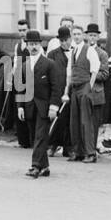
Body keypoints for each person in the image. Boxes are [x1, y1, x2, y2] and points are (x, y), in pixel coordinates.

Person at [16, 31, 66, 179]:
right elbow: (20, 87)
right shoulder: (24, 65)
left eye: (36, 44)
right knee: (36, 137)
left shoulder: (49, 64)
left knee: (40, 136)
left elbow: (57, 87)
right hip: (29, 106)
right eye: (31, 44)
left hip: (45, 107)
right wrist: (20, 106)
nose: (33, 47)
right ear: (26, 46)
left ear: (40, 45)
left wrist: (54, 107)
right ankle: (45, 167)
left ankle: (35, 166)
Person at [65, 24, 101, 162]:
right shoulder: (72, 51)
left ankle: (90, 153)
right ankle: (78, 151)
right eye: (74, 34)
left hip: (85, 87)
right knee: (74, 121)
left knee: (86, 121)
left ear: (83, 36)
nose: (76, 36)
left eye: (79, 34)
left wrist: (89, 87)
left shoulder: (89, 50)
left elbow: (95, 69)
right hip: (74, 88)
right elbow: (69, 72)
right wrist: (66, 91)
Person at [2, 18, 34, 147]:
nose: (22, 33)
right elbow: (16, 62)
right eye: (20, 30)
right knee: (18, 108)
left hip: (30, 79)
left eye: (24, 30)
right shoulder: (18, 45)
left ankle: (32, 140)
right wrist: (12, 76)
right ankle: (22, 141)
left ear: (29, 29)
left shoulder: (33, 45)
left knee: (29, 109)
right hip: (19, 80)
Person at [46, 26, 72, 156]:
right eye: (61, 41)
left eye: (66, 40)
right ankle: (52, 145)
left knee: (70, 120)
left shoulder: (76, 52)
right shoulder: (52, 54)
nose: (64, 43)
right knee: (57, 119)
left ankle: (68, 147)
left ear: (70, 39)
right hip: (57, 91)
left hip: (72, 91)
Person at [85, 22, 110, 145]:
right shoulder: (82, 52)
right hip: (83, 92)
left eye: (94, 35)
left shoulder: (102, 54)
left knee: (94, 124)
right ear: (87, 36)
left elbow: (105, 74)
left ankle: (92, 150)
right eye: (90, 35)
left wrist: (91, 74)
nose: (92, 38)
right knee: (83, 122)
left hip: (96, 93)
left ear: (98, 37)